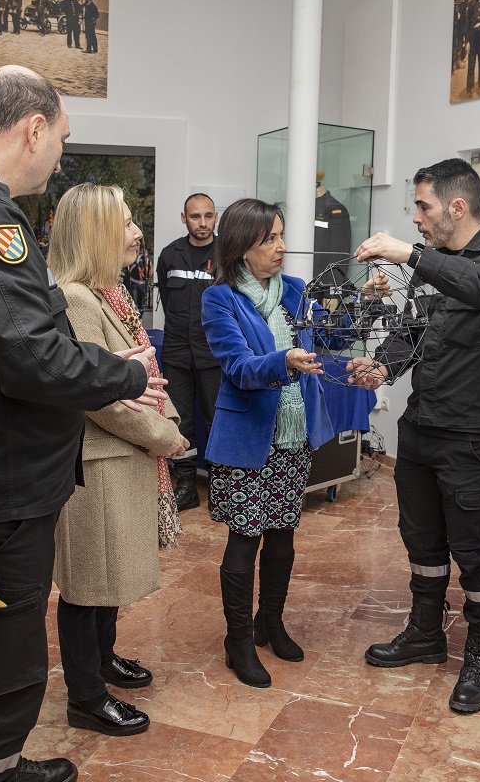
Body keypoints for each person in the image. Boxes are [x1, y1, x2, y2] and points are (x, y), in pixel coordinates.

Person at [0, 65, 164, 782]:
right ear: (32, 127)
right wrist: (128, 372)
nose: (58, 157)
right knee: (1, 647)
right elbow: (32, 358)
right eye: (62, 139)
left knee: (0, 644)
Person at [345, 158, 480, 714]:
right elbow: (412, 332)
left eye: (423, 206)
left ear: (457, 207)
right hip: (421, 431)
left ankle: (478, 655)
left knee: (474, 553)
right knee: (422, 545)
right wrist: (383, 366)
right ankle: (425, 633)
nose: (416, 217)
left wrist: (413, 257)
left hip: (472, 439)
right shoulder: (435, 268)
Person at [201, 199, 365, 689]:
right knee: (244, 540)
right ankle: (238, 641)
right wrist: (284, 361)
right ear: (240, 247)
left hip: (292, 438)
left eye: (281, 235)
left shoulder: (296, 291)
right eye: (268, 238)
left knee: (283, 536)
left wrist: (365, 297)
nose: (281, 247)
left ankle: (270, 622)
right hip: (249, 436)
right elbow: (237, 368)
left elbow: (338, 335)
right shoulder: (220, 300)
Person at [47, 183, 187, 737]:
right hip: (98, 464)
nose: (136, 233)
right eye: (126, 224)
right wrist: (165, 437)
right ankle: (85, 696)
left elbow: (145, 374)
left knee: (108, 579)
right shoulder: (77, 299)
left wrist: (166, 420)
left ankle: (103, 661)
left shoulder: (108, 292)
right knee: (88, 584)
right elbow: (103, 400)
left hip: (121, 461)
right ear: (95, 234)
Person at [156, 193, 220, 511]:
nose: (203, 223)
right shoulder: (169, 256)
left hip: (215, 352)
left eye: (208, 216)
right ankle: (186, 485)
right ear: (184, 219)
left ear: (215, 218)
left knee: (218, 417)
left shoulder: (227, 256)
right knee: (180, 421)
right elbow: (168, 301)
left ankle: (223, 486)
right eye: (196, 217)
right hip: (177, 352)